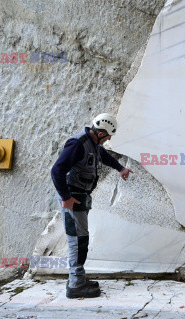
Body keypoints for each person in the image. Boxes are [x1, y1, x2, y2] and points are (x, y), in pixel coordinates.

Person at [51, 113, 133, 298]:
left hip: (80, 196)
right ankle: (76, 285)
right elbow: (57, 170)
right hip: (74, 197)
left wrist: (121, 169)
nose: (110, 138)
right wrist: (66, 197)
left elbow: (103, 156)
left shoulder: (93, 144)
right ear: (101, 132)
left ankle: (78, 279)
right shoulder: (78, 144)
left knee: (81, 240)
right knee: (78, 241)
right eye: (109, 134)